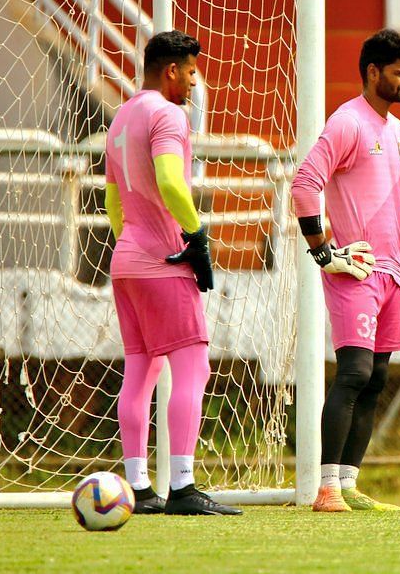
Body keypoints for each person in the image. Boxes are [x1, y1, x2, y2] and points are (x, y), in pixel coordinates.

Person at [105, 30, 241, 516]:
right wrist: (194, 235)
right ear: (171, 71)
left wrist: (133, 243)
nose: (193, 81)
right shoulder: (167, 113)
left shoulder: (121, 117)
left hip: (126, 261)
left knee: (140, 370)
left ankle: (138, 487)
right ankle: (182, 486)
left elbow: (113, 201)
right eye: (190, 72)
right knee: (193, 365)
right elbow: (168, 180)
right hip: (165, 261)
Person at [291, 29, 400, 512]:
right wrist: (326, 254)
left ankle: (348, 483)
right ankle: (325, 488)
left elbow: (396, 207)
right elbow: (305, 185)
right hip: (354, 272)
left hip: (390, 274)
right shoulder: (347, 122)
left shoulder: (397, 131)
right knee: (354, 372)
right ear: (373, 72)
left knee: (377, 377)